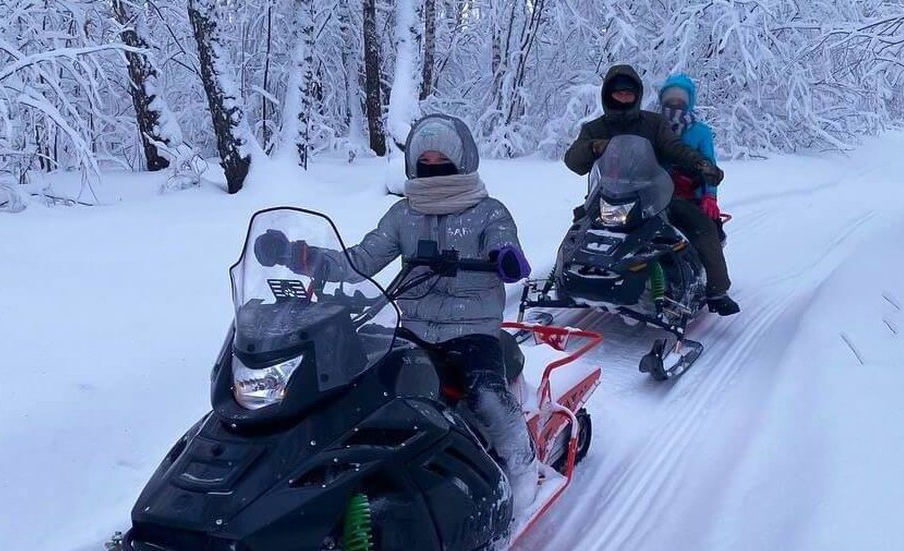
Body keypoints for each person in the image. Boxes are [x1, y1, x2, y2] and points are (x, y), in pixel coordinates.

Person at [253, 114, 539, 509]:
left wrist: (505, 257)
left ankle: (522, 464)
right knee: (360, 384)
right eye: (426, 160)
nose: (434, 167)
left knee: (486, 394)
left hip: (470, 327)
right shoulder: (404, 214)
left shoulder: (488, 211)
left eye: (443, 160)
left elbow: (504, 241)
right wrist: (298, 256)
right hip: (408, 324)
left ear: (461, 160)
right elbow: (361, 260)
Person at [564, 65, 739, 316]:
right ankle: (561, 279)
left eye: (628, 93)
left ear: (637, 94)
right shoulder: (594, 128)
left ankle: (717, 289)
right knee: (578, 228)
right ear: (607, 94)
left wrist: (700, 164)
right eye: (618, 93)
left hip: (652, 195)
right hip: (606, 196)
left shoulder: (653, 123)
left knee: (701, 225)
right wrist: (591, 148)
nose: (624, 97)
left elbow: (674, 148)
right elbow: (573, 161)